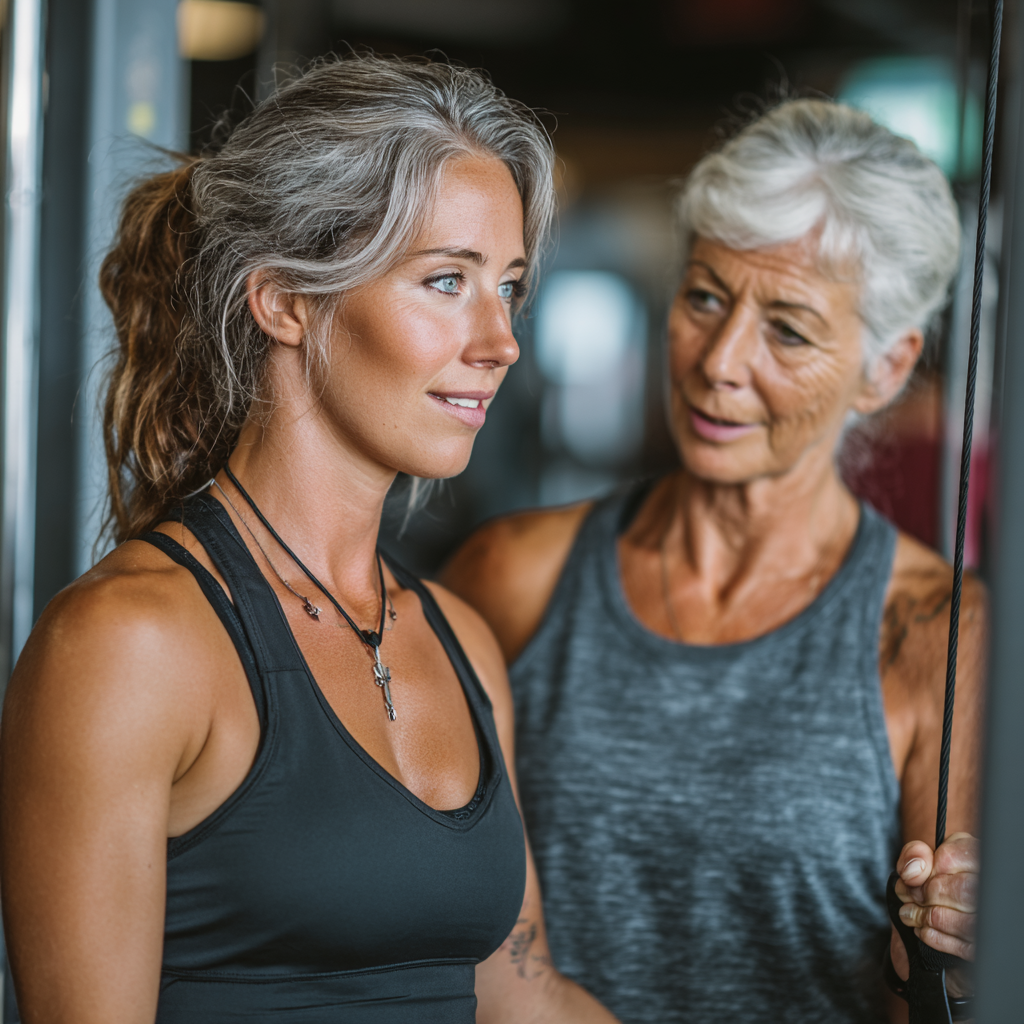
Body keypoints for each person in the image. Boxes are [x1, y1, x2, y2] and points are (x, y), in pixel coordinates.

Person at [0, 55, 620, 1024]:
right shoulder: (130, 644)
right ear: (285, 299)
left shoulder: (456, 639)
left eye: (508, 287)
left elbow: (518, 1000)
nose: (499, 339)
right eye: (448, 281)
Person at [443, 98, 983, 1024]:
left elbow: (936, 994)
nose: (719, 361)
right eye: (703, 297)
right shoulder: (511, 576)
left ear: (886, 368)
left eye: (789, 329)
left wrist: (954, 956)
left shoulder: (943, 638)